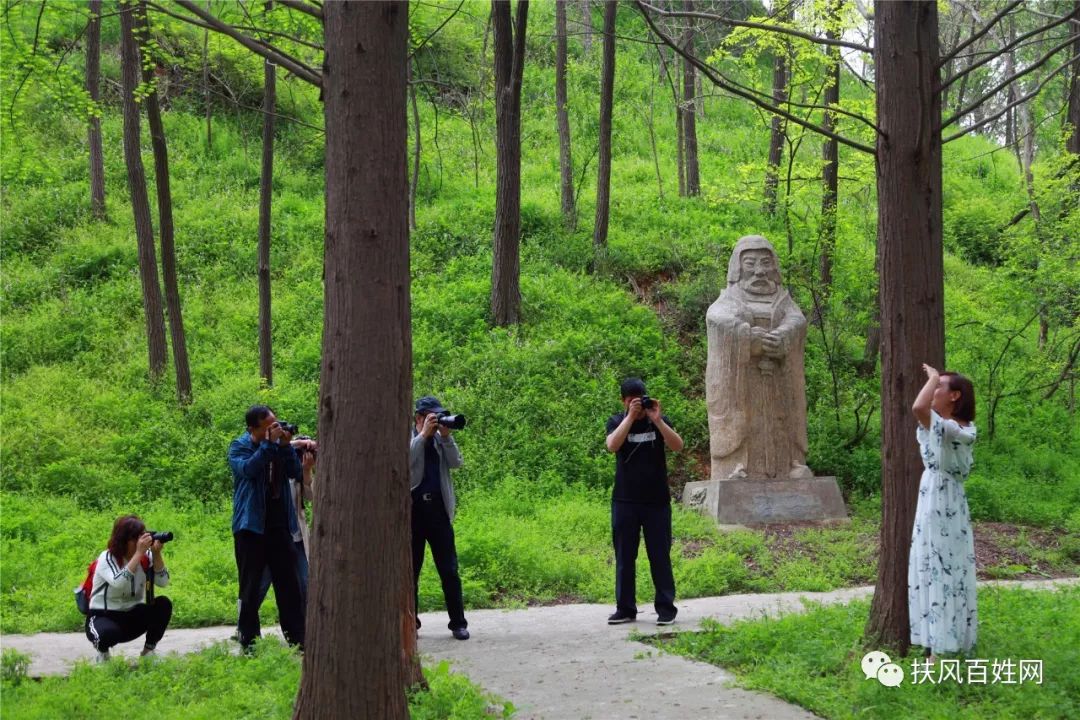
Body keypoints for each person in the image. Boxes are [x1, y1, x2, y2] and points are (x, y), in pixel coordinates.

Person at [705, 235, 811, 480]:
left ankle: (789, 465)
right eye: (751, 264)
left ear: (774, 266)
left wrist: (784, 336)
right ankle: (737, 466)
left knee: (781, 420)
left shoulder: (783, 299)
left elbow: (798, 321)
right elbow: (717, 318)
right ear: (737, 267)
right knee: (746, 422)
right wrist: (747, 337)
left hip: (778, 382)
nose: (759, 271)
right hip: (743, 384)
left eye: (765, 263)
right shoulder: (730, 298)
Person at [908, 364, 978, 661]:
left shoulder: (959, 430)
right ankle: (931, 640)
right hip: (931, 498)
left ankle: (942, 647)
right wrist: (935, 381)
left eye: (941, 387)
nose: (935, 390)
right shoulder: (936, 425)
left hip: (946, 501)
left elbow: (918, 406)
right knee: (927, 565)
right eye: (935, 385)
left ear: (955, 396)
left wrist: (933, 376)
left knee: (945, 569)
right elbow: (923, 410)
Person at [605, 378, 683, 625]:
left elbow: (677, 446)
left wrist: (658, 419)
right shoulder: (617, 421)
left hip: (657, 502)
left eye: (640, 398)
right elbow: (612, 445)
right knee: (625, 557)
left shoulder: (657, 421)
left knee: (660, 556)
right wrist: (630, 417)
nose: (637, 404)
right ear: (623, 401)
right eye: (631, 400)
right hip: (625, 501)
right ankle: (626, 609)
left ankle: (666, 609)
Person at [228, 405, 306, 650]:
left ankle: (299, 640)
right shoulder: (239, 446)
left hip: (279, 523)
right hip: (250, 526)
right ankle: (249, 641)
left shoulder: (278, 446)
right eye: (269, 426)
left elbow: (296, 472)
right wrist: (269, 445)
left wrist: (284, 447)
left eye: (277, 423)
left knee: (289, 584)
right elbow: (248, 470)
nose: (276, 428)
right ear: (253, 429)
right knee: (250, 586)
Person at [409, 395, 469, 640]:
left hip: (438, 512)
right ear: (419, 418)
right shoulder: (411, 437)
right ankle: (410, 622)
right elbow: (404, 460)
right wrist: (423, 436)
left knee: (449, 570)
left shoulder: (440, 440)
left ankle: (458, 623)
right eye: (432, 417)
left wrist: (446, 437)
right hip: (412, 513)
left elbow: (456, 463)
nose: (436, 421)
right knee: (410, 571)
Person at [85, 515, 172, 662]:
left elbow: (163, 582)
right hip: (103, 616)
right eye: (136, 538)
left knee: (163, 604)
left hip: (131, 616)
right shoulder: (107, 557)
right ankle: (103, 654)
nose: (141, 542)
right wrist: (138, 554)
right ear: (124, 540)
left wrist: (156, 554)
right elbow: (119, 583)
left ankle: (148, 652)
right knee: (107, 635)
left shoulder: (147, 556)